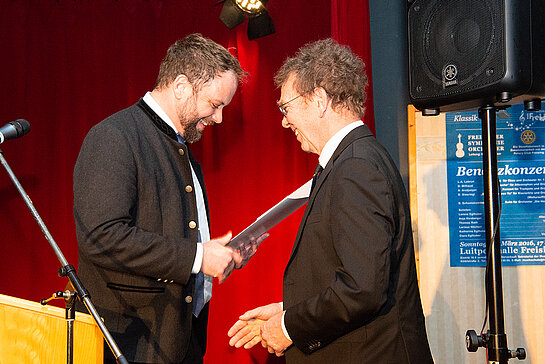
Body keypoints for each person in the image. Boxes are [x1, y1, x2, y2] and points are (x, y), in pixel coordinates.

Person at [228, 38, 434, 363]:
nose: (284, 121)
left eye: (286, 107)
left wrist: (288, 326)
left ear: (319, 100)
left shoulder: (356, 167)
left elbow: (362, 289)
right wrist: (289, 307)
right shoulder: (351, 160)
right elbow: (350, 275)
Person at [74, 33, 256, 364]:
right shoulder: (113, 137)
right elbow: (101, 237)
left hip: (177, 340)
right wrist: (199, 256)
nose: (218, 118)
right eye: (215, 105)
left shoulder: (179, 144)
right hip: (132, 343)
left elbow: (172, 236)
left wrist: (220, 254)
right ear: (181, 86)